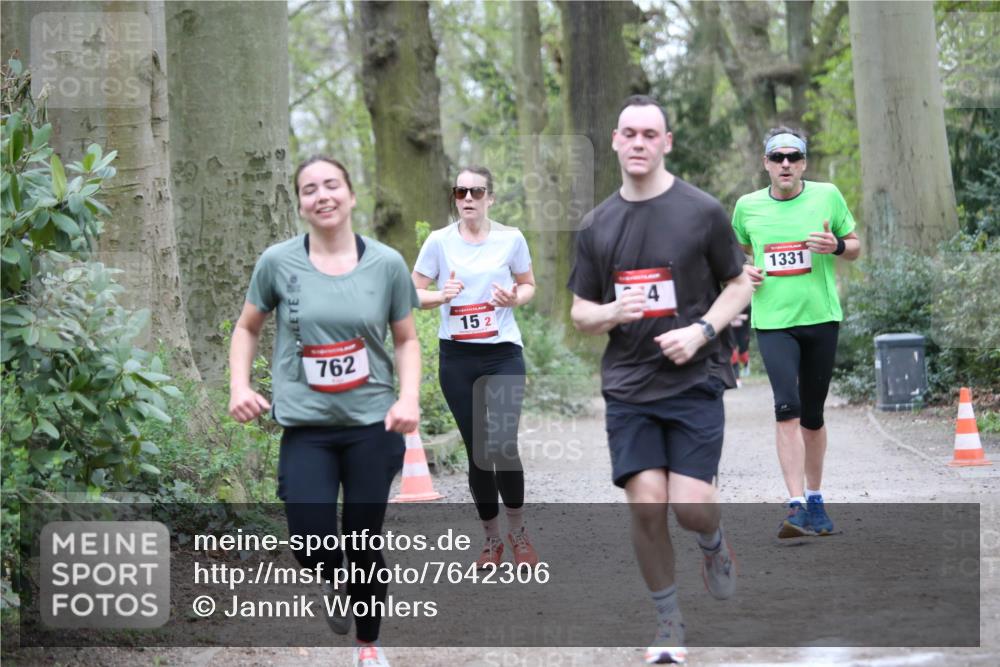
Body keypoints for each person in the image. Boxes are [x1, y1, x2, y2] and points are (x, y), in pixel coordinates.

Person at [568, 95, 752, 665]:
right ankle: (669, 620)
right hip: (629, 387)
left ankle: (713, 544)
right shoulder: (597, 225)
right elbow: (579, 312)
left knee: (692, 506)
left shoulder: (702, 211)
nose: (640, 142)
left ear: (666, 142)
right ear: (617, 142)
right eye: (630, 133)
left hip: (694, 380)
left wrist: (701, 331)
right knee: (647, 506)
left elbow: (740, 284)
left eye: (651, 133)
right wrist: (611, 313)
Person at [228, 156, 420, 667]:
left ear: (352, 195)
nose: (322, 195)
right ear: (300, 204)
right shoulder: (277, 262)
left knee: (363, 540)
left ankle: (367, 644)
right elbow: (247, 327)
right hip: (307, 426)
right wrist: (239, 385)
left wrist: (408, 397)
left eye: (332, 185)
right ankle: (335, 577)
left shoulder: (386, 263)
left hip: (372, 426)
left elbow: (406, 339)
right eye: (309, 189)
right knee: (312, 541)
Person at [731, 127, 861, 538]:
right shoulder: (747, 207)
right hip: (773, 322)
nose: (785, 163)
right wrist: (742, 271)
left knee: (813, 416)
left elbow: (856, 245)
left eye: (793, 156)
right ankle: (796, 504)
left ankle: (817, 498)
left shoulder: (827, 196)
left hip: (821, 318)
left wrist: (836, 246)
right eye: (777, 157)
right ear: (766, 163)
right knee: (786, 408)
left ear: (803, 162)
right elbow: (739, 252)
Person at [412, 166, 539, 569]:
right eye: (460, 191)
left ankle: (518, 532)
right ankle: (490, 540)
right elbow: (411, 292)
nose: (468, 198)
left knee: (502, 443)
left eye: (476, 191)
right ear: (455, 197)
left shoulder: (511, 239)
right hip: (458, 357)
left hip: (502, 353)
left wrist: (513, 298)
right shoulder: (438, 242)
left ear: (490, 198)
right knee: (478, 450)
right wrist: (439, 296)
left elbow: (529, 284)